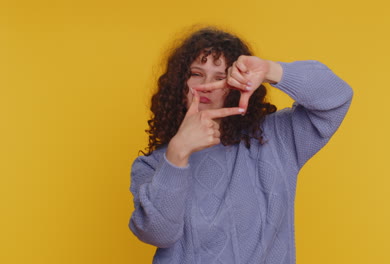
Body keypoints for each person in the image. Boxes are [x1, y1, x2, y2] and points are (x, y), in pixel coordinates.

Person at [128, 27, 353, 264]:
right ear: (179, 83)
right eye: (196, 73)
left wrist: (270, 70)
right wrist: (177, 153)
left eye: (220, 77)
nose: (206, 85)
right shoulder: (153, 165)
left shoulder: (276, 138)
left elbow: (337, 97)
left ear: (237, 84)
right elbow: (158, 234)